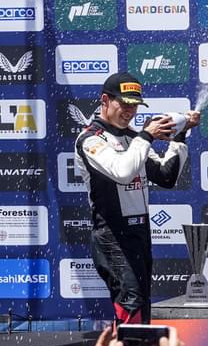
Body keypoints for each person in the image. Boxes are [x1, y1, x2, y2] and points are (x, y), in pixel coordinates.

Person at [75, 72, 198, 324]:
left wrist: (179, 136)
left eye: (135, 105)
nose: (130, 111)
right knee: (130, 301)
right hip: (112, 234)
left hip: (140, 232)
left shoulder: (133, 137)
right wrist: (147, 136)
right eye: (125, 104)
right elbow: (123, 172)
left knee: (141, 302)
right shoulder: (90, 139)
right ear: (105, 100)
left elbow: (166, 176)